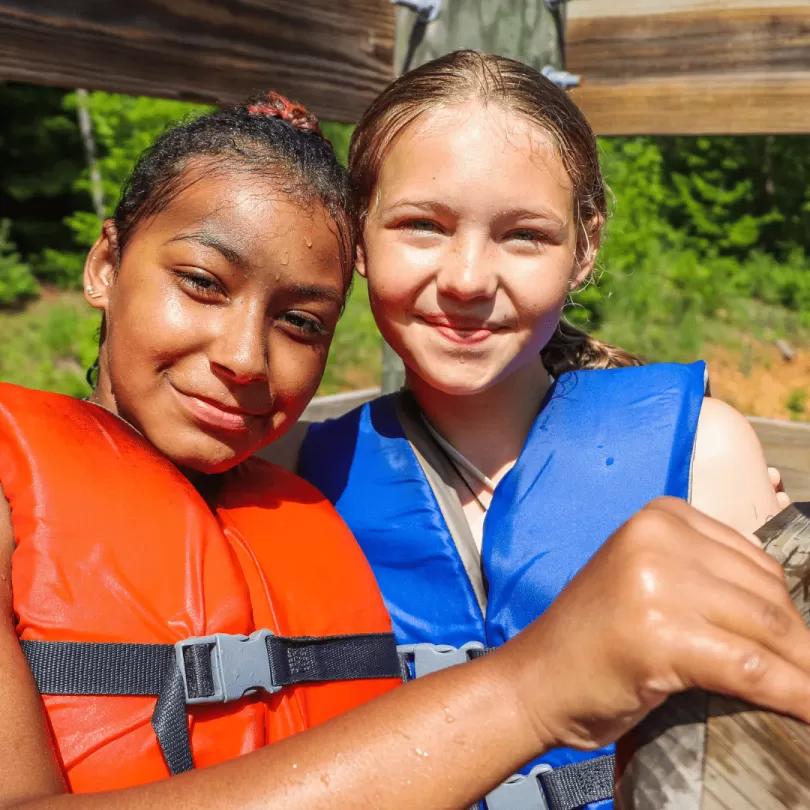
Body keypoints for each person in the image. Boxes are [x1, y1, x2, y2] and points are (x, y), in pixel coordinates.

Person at [2, 91, 808, 810]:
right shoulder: (299, 471)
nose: (244, 358)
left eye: (301, 323)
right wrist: (530, 691)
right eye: (203, 283)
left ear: (584, 247)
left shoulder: (281, 495)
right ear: (105, 262)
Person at [262, 51, 792, 808]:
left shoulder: (701, 455)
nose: (469, 279)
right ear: (358, 236)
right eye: (422, 225)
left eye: (524, 236)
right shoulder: (289, 472)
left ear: (586, 249)